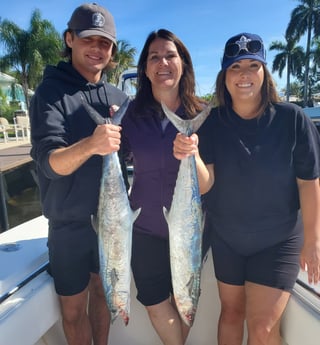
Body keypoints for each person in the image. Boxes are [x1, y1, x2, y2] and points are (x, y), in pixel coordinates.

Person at [173, 32, 320, 345]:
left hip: (278, 240)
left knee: (263, 330)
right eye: (235, 67)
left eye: (253, 65)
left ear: (264, 73)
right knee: (230, 314)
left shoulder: (291, 119)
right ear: (224, 77)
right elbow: (206, 183)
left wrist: (313, 240)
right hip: (228, 237)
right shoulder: (211, 122)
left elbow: (309, 182)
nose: (244, 74)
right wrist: (192, 155)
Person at [29, 3, 129, 345]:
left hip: (113, 222)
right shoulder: (49, 93)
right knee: (72, 312)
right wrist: (91, 144)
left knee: (104, 296)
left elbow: (130, 153)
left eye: (105, 43)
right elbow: (48, 163)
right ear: (70, 39)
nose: (96, 49)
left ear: (112, 51)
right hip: (68, 225)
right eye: (89, 39)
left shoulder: (119, 98)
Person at [121, 29, 206, 345]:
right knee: (156, 303)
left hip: (191, 230)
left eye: (170, 55)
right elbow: (113, 163)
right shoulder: (129, 115)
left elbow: (208, 184)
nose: (163, 63)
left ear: (183, 62)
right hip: (144, 228)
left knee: (187, 301)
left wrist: (192, 154)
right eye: (154, 57)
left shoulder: (202, 113)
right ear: (145, 68)